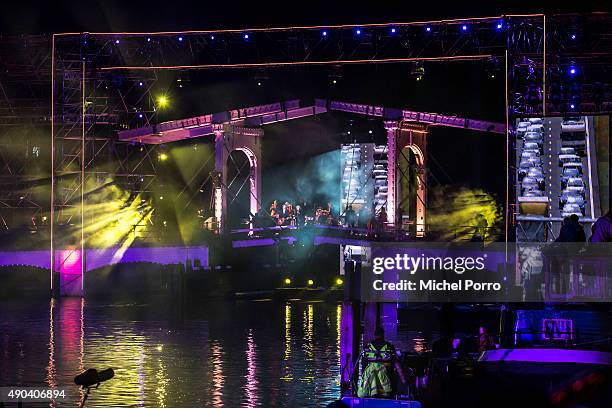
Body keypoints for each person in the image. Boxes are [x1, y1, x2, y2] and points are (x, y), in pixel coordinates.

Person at [357, 327, 406, 398]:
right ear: (383, 335)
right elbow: (394, 363)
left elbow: (363, 365)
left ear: (374, 335)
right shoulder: (389, 347)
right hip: (387, 379)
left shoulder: (368, 347)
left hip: (370, 379)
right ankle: (392, 394)